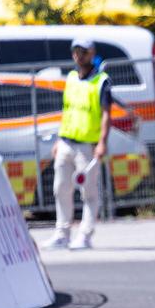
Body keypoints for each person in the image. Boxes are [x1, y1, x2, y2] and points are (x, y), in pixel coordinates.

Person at [44, 38, 112, 250]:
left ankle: (85, 235)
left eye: (83, 51)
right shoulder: (71, 78)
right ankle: (62, 233)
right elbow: (68, 110)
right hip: (66, 141)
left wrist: (102, 142)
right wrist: (59, 139)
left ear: (92, 53)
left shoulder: (101, 81)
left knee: (88, 192)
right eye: (75, 51)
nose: (78, 56)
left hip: (87, 145)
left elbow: (106, 114)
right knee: (60, 188)